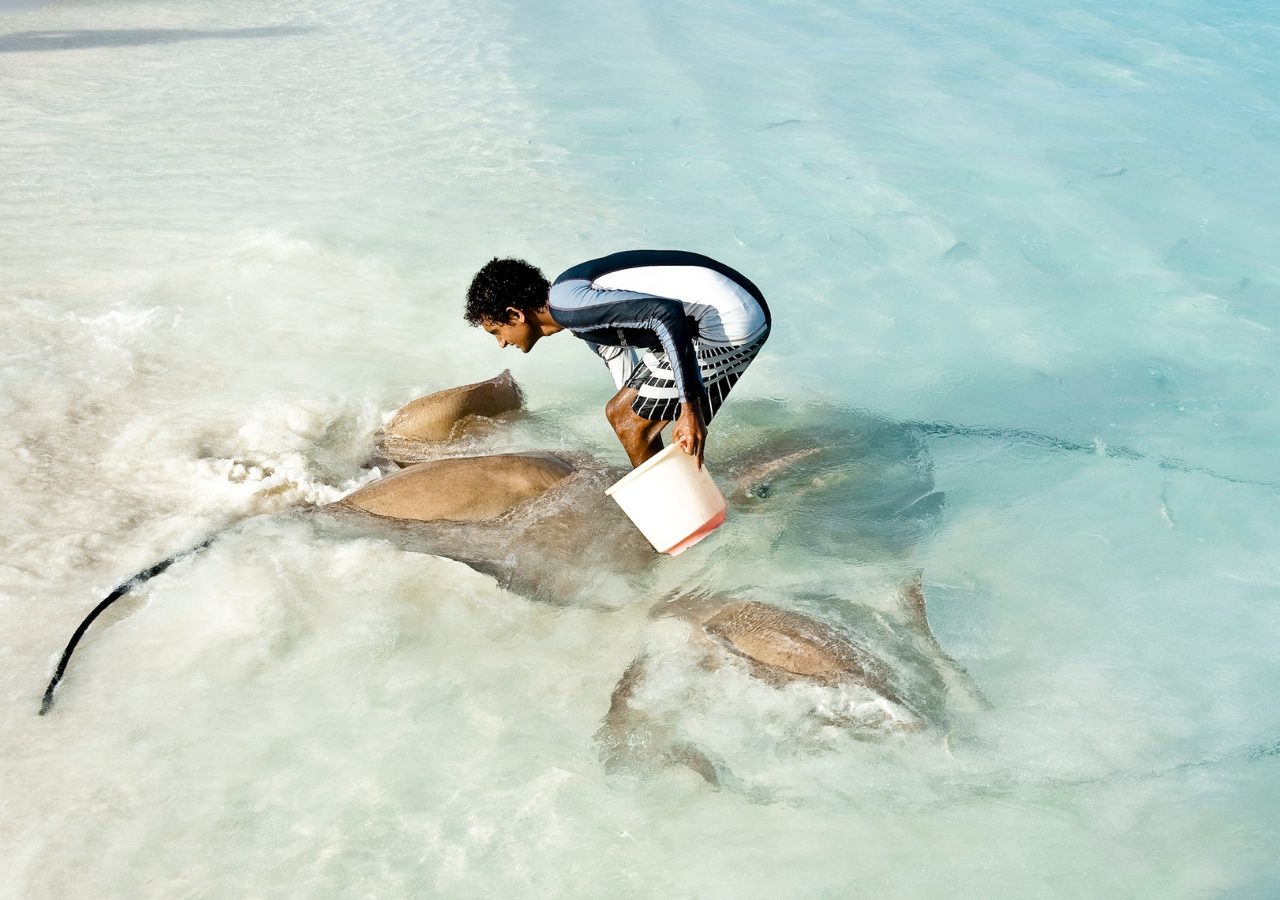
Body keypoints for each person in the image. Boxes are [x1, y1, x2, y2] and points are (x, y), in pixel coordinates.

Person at [463, 250, 771, 468]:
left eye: (496, 331)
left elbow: (665, 314)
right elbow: (621, 374)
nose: (501, 343)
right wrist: (644, 425)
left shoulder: (569, 307)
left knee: (632, 424)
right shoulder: (575, 314)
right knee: (622, 414)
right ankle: (685, 502)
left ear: (515, 315)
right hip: (709, 317)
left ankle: (678, 520)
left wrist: (689, 408)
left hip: (729, 318)